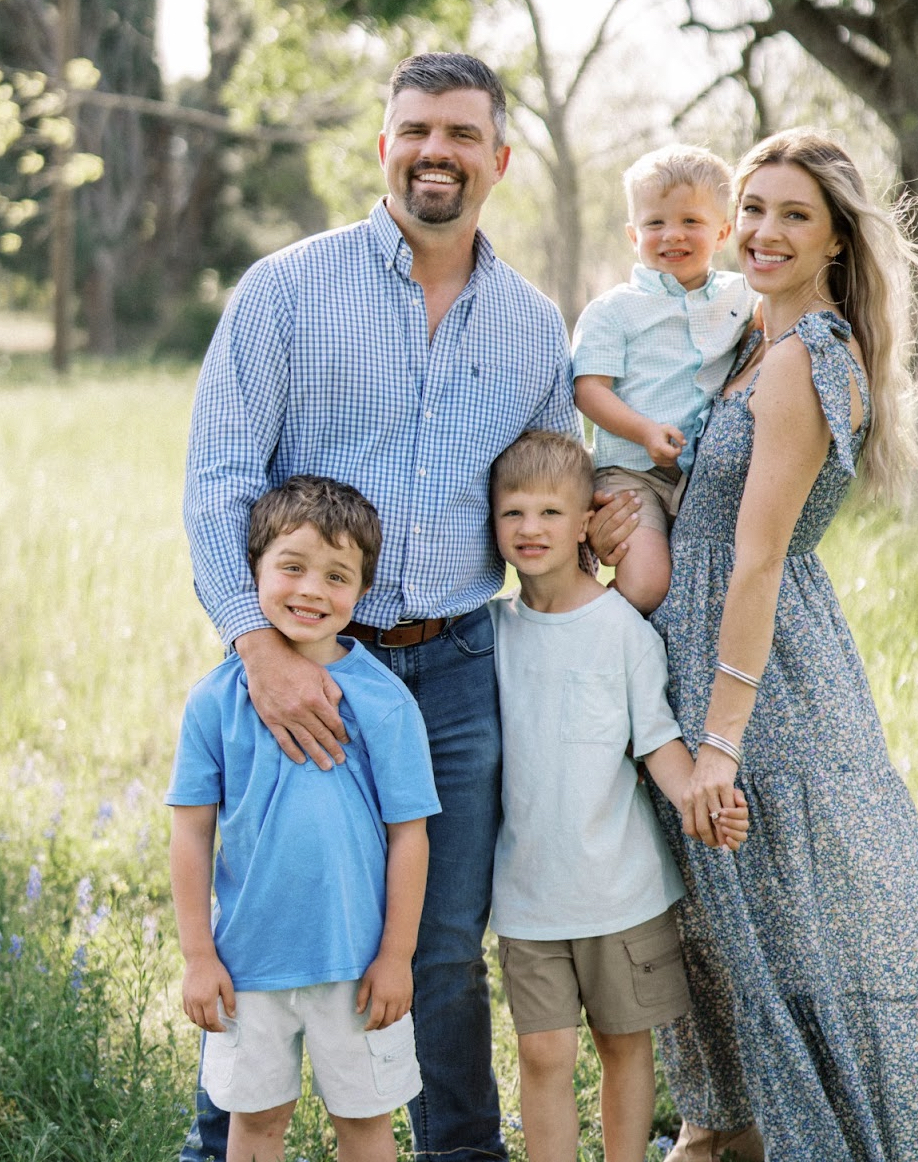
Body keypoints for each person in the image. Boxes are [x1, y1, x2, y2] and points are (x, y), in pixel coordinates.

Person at [181, 52, 580, 1162]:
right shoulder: (285, 291)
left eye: (460, 133)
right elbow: (218, 479)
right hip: (304, 657)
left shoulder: (534, 327)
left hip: (455, 666)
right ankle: (216, 1146)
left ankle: (458, 1151)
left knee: (441, 943)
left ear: (499, 159)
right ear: (383, 147)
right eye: (415, 130)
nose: (435, 151)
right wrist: (260, 647)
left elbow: (550, 491)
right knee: (265, 919)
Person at [591, 129, 918, 1161]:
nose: (765, 231)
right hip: (695, 662)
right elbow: (701, 514)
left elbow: (758, 559)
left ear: (834, 242)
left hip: (761, 694)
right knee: (732, 949)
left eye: (795, 215)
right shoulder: (751, 346)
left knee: (792, 940)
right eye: (757, 208)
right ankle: (720, 1131)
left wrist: (720, 741)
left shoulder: (805, 361)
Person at [486, 429, 748, 1162]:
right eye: (513, 514)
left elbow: (658, 743)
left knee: (624, 1046)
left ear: (586, 524)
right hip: (529, 894)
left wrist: (700, 798)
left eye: (549, 513)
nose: (531, 529)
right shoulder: (491, 634)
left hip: (621, 891)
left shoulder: (623, 630)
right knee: (542, 1055)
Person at [168, 476, 441, 1162]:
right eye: (291, 567)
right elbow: (190, 833)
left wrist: (396, 956)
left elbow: (410, 835)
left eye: (337, 575)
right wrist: (200, 957)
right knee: (255, 1126)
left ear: (362, 591)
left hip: (357, 964)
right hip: (248, 965)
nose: (312, 590)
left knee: (366, 1127)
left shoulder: (384, 701)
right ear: (253, 568)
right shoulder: (214, 702)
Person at [573, 144, 755, 614]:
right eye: (656, 223)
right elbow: (589, 389)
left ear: (723, 232)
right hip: (631, 471)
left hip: (703, 478)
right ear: (634, 234)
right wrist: (645, 431)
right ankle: (584, 620)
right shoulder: (614, 311)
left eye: (690, 221)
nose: (672, 235)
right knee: (649, 584)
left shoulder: (741, 296)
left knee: (708, 589)